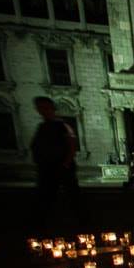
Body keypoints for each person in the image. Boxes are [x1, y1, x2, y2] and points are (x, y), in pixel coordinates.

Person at [31, 96, 85, 228]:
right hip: (46, 169)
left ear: (52, 109)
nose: (42, 111)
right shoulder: (42, 126)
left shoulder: (62, 126)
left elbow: (72, 145)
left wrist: (65, 164)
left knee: (73, 195)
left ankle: (82, 222)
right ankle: (44, 223)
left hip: (61, 168)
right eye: (40, 108)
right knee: (45, 197)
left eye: (45, 107)